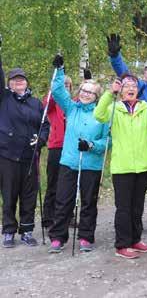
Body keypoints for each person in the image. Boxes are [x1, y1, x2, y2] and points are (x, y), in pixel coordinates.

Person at [94, 74, 147, 259]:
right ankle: (122, 244)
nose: (130, 88)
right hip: (122, 166)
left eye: (133, 85)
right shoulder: (114, 108)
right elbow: (99, 115)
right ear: (121, 90)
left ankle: (135, 239)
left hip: (143, 165)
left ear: (138, 90)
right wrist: (110, 93)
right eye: (126, 85)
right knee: (124, 207)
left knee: (137, 206)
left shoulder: (145, 108)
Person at [47, 55, 108, 253]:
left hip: (91, 164)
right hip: (69, 162)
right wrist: (60, 70)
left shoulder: (102, 114)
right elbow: (57, 91)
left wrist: (91, 145)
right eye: (83, 90)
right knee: (63, 200)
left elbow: (108, 141)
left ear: (97, 96)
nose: (86, 94)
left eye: (90, 92)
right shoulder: (72, 108)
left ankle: (86, 236)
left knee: (88, 201)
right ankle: (58, 237)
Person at [106, 33, 147, 232]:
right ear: (145, 72)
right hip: (141, 139)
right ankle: (131, 226)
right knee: (140, 184)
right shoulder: (138, 86)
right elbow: (122, 71)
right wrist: (115, 55)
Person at [0, 52, 49, 248]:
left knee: (29, 195)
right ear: (9, 83)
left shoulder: (36, 103)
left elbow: (45, 124)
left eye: (21, 79)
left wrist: (42, 139)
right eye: (14, 80)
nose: (18, 82)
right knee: (9, 194)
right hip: (8, 155)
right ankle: (9, 231)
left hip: (30, 156)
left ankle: (27, 231)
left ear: (26, 83)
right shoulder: (3, 98)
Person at [42, 73, 72, 229]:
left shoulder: (72, 104)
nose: (65, 88)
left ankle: (67, 216)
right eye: (63, 85)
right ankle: (48, 218)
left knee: (69, 185)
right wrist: (55, 86)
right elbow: (47, 104)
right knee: (53, 184)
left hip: (71, 148)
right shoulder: (53, 103)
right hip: (56, 147)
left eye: (67, 86)